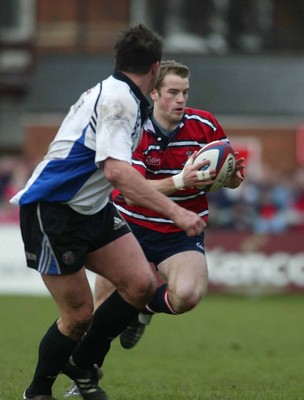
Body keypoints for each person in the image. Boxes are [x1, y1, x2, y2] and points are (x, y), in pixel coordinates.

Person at [10, 26, 206, 400]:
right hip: (54, 210)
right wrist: (177, 212)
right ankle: (38, 391)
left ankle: (83, 367)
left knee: (141, 284)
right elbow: (117, 172)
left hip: (93, 208)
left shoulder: (128, 95)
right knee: (79, 316)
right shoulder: (119, 101)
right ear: (155, 66)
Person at [63, 59, 245, 398]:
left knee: (188, 295)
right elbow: (132, 192)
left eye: (185, 93)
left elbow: (228, 178)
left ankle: (142, 309)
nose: (180, 100)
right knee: (99, 315)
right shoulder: (135, 127)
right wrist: (181, 180)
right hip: (125, 228)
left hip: (179, 233)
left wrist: (230, 178)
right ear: (155, 93)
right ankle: (83, 381)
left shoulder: (205, 125)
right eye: (172, 92)